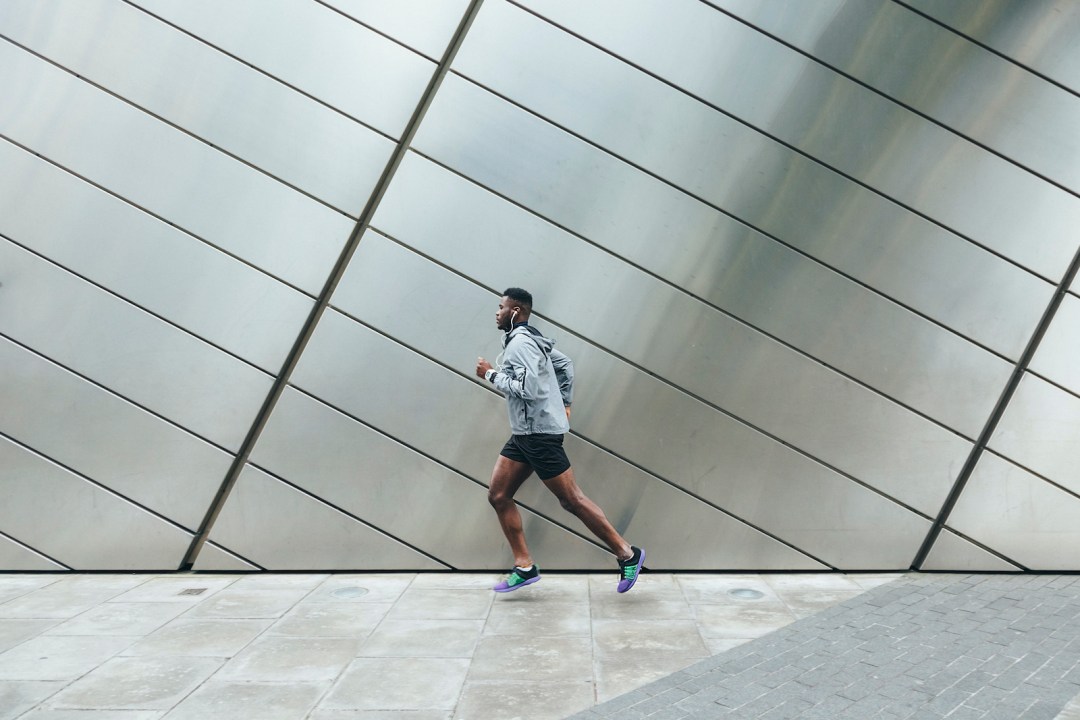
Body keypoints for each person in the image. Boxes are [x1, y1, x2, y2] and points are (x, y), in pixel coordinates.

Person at [475, 287, 645, 594]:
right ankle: (525, 566)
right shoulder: (529, 340)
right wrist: (564, 402)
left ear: (516, 312)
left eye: (501, 308)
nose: (497, 313)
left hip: (538, 435)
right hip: (526, 433)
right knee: (499, 495)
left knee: (572, 500)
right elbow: (564, 365)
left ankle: (627, 554)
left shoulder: (521, 345)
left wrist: (490, 374)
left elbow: (530, 390)